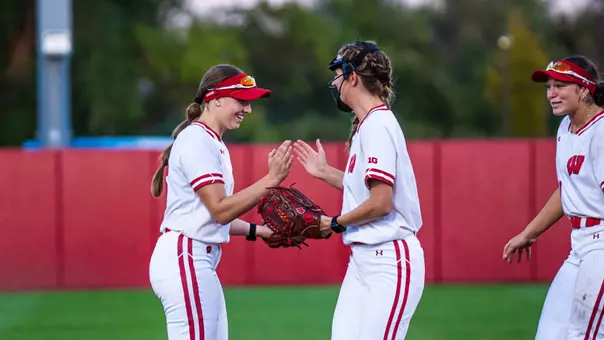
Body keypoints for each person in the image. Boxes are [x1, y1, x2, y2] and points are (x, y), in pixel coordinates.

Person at [148, 64, 293, 340]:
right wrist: (271, 179)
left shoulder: (209, 141)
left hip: (195, 259)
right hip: (186, 258)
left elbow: (210, 214)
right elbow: (220, 209)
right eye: (241, 100)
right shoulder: (197, 140)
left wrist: (258, 231)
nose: (248, 109)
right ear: (214, 99)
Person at [294, 40, 425, 339]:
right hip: (363, 261)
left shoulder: (378, 124)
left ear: (353, 76)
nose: (335, 81)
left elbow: (381, 203)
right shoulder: (368, 124)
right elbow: (366, 191)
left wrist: (335, 222)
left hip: (390, 260)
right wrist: (324, 172)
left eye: (339, 73)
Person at [503, 56, 604, 339]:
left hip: (601, 247)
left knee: (582, 335)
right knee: (549, 333)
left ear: (584, 90)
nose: (551, 94)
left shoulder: (601, 131)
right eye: (549, 86)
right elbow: (568, 191)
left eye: (561, 86)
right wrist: (529, 233)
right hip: (580, 247)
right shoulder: (565, 129)